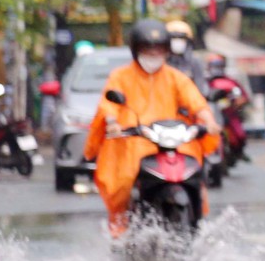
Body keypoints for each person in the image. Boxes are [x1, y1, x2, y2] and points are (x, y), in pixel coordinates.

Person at [83, 20, 219, 236]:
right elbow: (109, 104)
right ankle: (122, 226)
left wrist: (208, 121)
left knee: (193, 167)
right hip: (134, 139)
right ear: (136, 50)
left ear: (166, 51)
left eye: (158, 49)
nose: (153, 54)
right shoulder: (121, 76)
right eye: (147, 48)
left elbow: (195, 101)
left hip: (171, 137)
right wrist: (112, 123)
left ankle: (196, 217)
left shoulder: (175, 77)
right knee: (124, 179)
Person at [164, 19, 209, 92]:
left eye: (181, 38)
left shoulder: (194, 62)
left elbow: (201, 88)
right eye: (174, 38)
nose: (177, 41)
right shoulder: (162, 61)